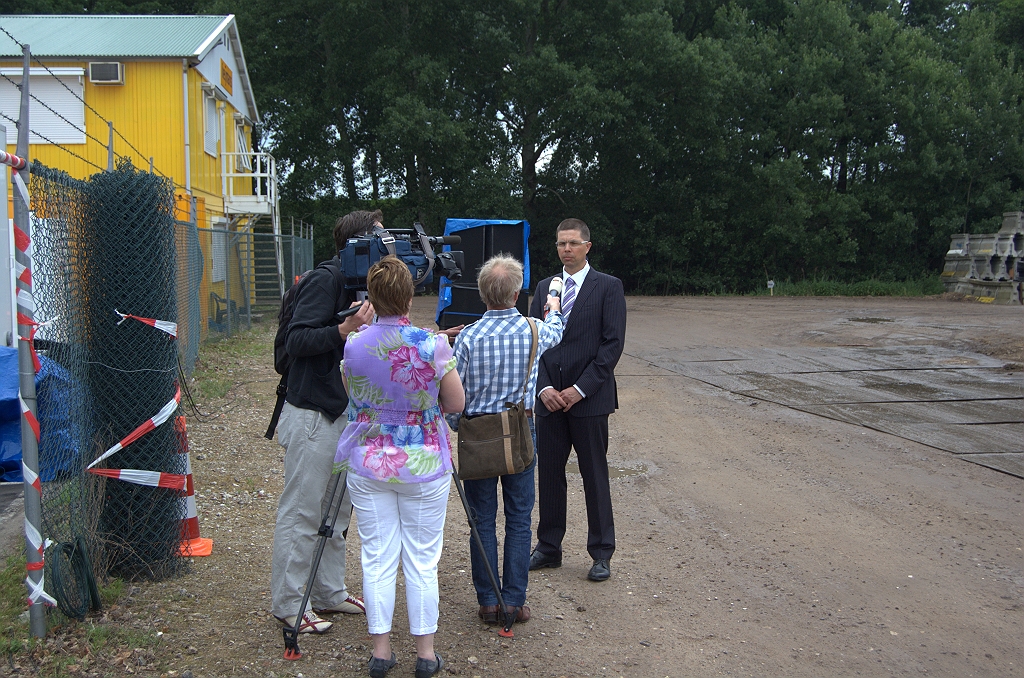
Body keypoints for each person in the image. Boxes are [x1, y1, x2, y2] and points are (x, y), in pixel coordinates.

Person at [335, 256, 465, 678]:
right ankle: (425, 654)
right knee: (422, 559)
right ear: (409, 295)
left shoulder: (353, 344)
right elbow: (456, 404)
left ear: (370, 299)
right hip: (424, 463)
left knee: (376, 556)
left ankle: (381, 650)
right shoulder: (432, 345)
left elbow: (353, 399)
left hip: (370, 462)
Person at [270, 210, 378, 633]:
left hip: (342, 414)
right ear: (359, 242)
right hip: (312, 414)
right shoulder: (325, 279)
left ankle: (329, 592)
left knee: (337, 511)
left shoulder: (359, 284)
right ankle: (289, 604)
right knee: (302, 512)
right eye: (380, 238)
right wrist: (344, 328)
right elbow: (297, 340)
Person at [452, 254, 563, 625]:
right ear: (516, 294)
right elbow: (557, 330)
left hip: (479, 434)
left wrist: (458, 424)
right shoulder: (535, 330)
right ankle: (514, 601)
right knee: (518, 517)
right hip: (519, 430)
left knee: (482, 518)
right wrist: (554, 306)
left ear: (482, 295)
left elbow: (455, 395)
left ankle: (488, 600)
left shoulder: (467, 337)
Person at [528, 218, 627, 582]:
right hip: (550, 399)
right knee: (550, 475)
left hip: (589, 400)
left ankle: (601, 552)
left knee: (594, 474)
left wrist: (579, 389)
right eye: (560, 244)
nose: (565, 249)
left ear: (588, 246)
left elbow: (612, 345)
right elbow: (534, 340)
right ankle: (549, 547)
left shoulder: (608, 288)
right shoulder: (544, 288)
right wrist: (544, 388)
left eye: (572, 243)